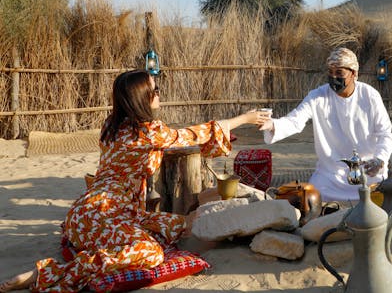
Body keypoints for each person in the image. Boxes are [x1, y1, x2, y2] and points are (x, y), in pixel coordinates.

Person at [0, 69, 270, 292]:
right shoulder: (146, 133)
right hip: (103, 214)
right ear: (142, 98)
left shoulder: (112, 125)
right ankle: (48, 274)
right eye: (154, 89)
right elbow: (194, 134)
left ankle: (86, 251)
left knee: (173, 224)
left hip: (87, 215)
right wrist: (244, 119)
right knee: (152, 253)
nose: (159, 93)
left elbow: (168, 141)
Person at [258, 47, 392, 202]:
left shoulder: (370, 96)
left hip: (366, 172)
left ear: (354, 73)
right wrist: (271, 125)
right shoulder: (318, 96)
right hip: (330, 175)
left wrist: (379, 159)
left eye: (339, 73)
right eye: (331, 72)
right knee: (311, 198)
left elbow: (385, 134)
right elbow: (295, 120)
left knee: (380, 196)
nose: (334, 77)